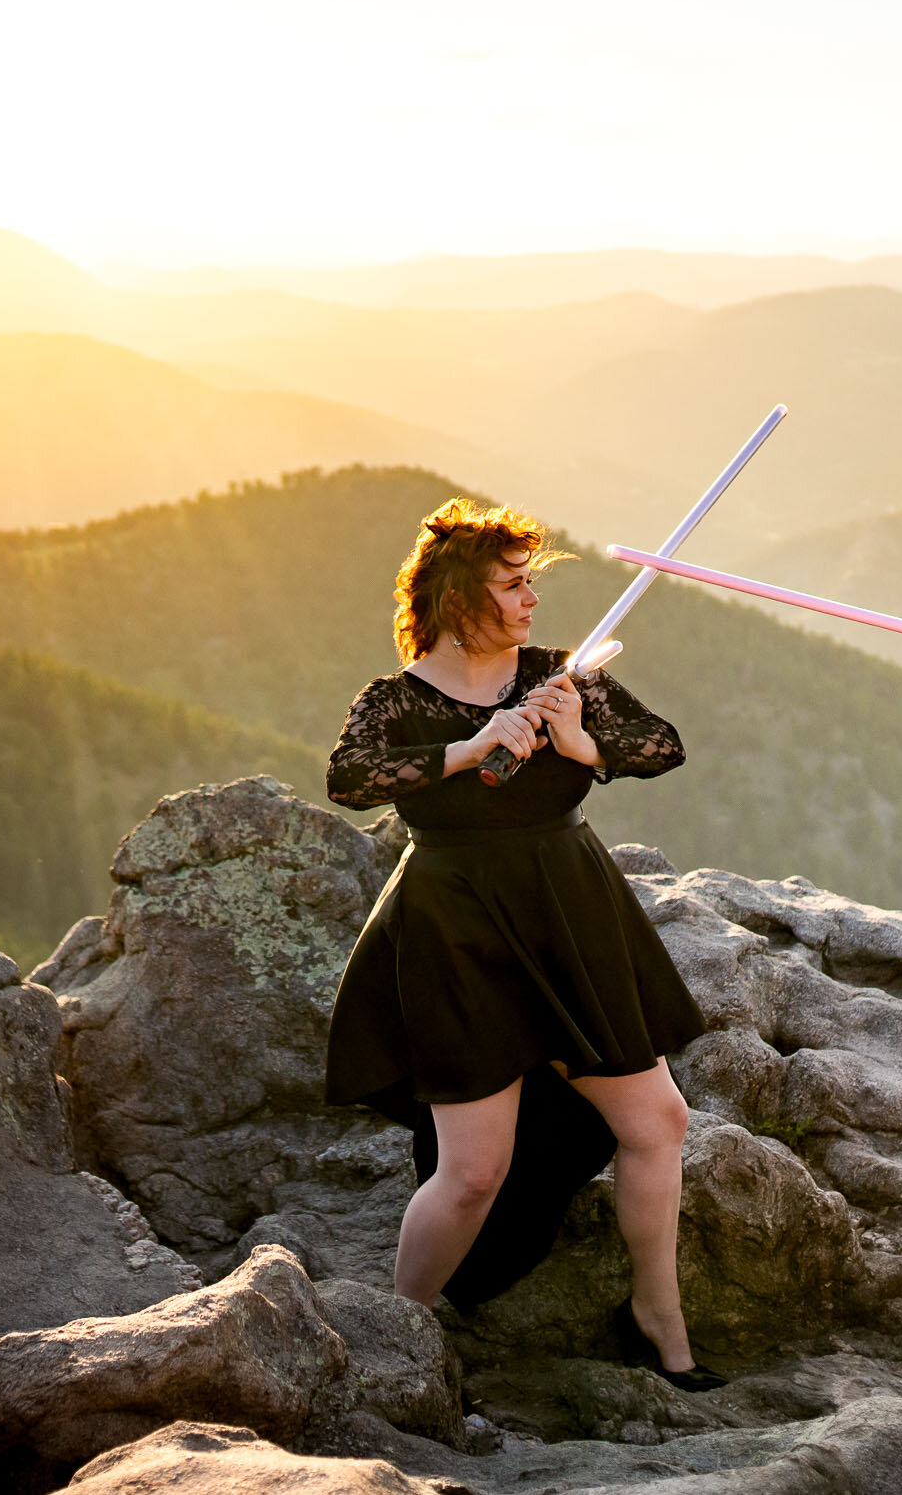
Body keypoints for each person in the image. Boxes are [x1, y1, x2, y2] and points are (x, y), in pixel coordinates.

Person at [323, 496, 724, 1391]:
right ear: (462, 599)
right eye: (512, 585)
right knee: (473, 1171)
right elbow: (347, 776)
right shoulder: (394, 700)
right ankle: (403, 1334)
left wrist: (583, 745)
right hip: (456, 925)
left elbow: (663, 745)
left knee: (658, 1119)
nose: (530, 600)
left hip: (568, 911)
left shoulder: (556, 674)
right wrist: (466, 751)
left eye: (531, 582)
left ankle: (657, 1316)